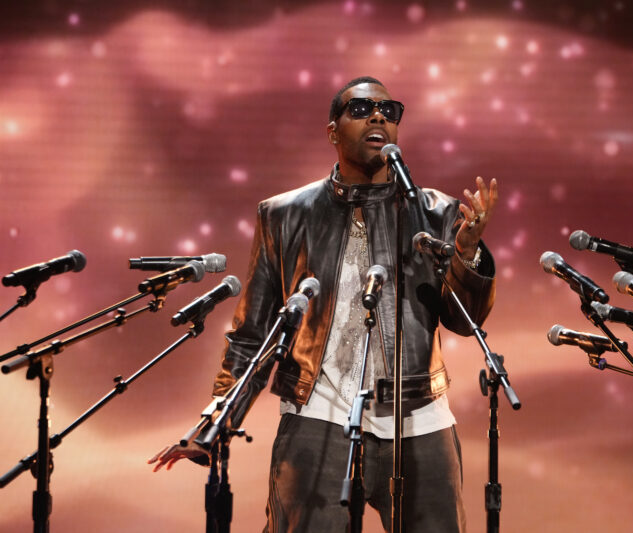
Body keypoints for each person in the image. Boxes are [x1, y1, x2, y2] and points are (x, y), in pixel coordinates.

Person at [150, 76, 498, 533]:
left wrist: (468, 254)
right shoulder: (284, 215)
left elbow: (463, 320)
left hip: (418, 419)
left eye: (390, 110)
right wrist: (216, 420)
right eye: (362, 109)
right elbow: (253, 335)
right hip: (318, 415)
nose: (378, 116)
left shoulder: (436, 212)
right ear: (332, 131)